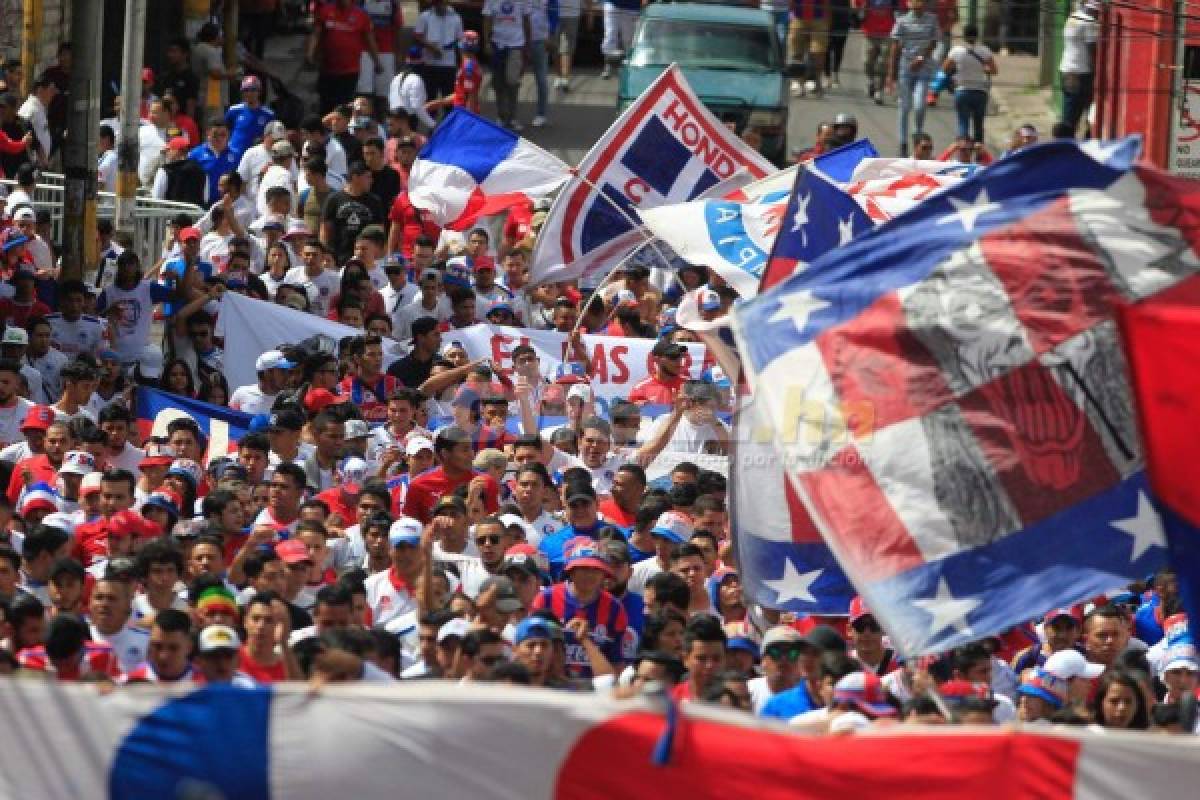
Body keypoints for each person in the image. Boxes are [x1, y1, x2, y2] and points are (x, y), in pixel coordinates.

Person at [309, 0, 382, 114]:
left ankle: (341, 129)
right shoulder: (325, 11)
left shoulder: (361, 15)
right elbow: (316, 35)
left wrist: (377, 62)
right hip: (328, 70)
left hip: (349, 72)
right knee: (326, 105)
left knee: (343, 107)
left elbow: (370, 41)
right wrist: (310, 54)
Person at [887, 0, 938, 157]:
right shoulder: (902, 21)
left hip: (924, 68)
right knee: (904, 106)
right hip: (906, 68)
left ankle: (918, 137)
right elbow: (895, 46)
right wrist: (891, 74)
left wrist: (922, 57)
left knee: (919, 105)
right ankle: (903, 142)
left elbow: (934, 41)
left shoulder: (932, 19)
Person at [941, 24, 996, 144]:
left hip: (962, 91)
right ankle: (979, 154)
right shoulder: (985, 51)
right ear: (977, 36)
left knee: (963, 123)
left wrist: (955, 70)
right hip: (980, 92)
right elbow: (994, 71)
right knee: (978, 126)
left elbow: (944, 68)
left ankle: (963, 151)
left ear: (964, 36)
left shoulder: (956, 51)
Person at [1059, 0, 1100, 137]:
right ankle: (1070, 143)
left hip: (1066, 69)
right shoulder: (1089, 22)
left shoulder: (1073, 17)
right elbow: (1091, 49)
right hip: (1081, 73)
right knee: (1085, 112)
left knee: (1069, 111)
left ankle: (1066, 140)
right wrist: (1097, 70)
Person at [413, 0, 465, 106]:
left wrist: (463, 63)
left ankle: (448, 122)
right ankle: (430, 122)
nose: (440, 5)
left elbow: (460, 40)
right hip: (429, 64)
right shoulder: (425, 17)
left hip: (449, 64)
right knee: (430, 98)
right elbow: (417, 36)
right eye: (438, 2)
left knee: (450, 100)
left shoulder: (456, 18)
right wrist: (431, 47)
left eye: (442, 2)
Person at [600, 0, 639, 81]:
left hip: (632, 6)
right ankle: (608, 66)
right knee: (610, 36)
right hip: (611, 4)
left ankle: (629, 67)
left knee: (628, 39)